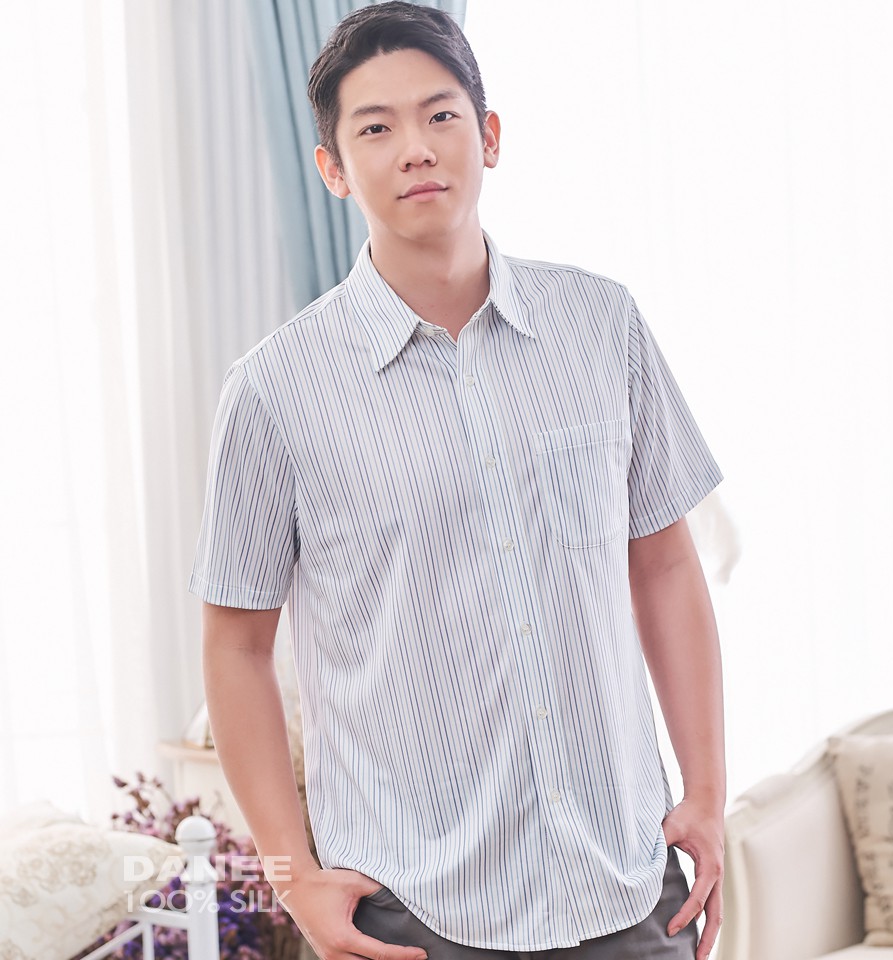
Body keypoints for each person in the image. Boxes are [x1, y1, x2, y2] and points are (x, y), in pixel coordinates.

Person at [189, 3, 726, 959]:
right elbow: (236, 646)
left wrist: (708, 793)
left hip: (625, 886)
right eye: (375, 129)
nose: (416, 149)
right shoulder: (274, 391)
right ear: (332, 169)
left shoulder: (602, 326)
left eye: (440, 115)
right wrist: (290, 874)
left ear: (490, 136)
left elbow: (665, 566)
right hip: (415, 913)